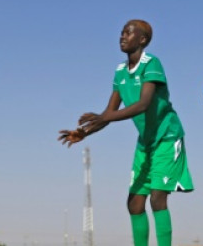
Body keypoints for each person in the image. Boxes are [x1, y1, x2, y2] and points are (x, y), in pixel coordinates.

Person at [59, 20, 193, 246]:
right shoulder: (120, 71)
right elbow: (108, 114)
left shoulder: (151, 63)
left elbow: (143, 104)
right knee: (134, 204)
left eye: (128, 33)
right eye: (121, 32)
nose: (122, 36)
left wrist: (104, 117)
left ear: (142, 39)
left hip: (167, 137)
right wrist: (84, 133)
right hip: (146, 143)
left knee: (158, 198)